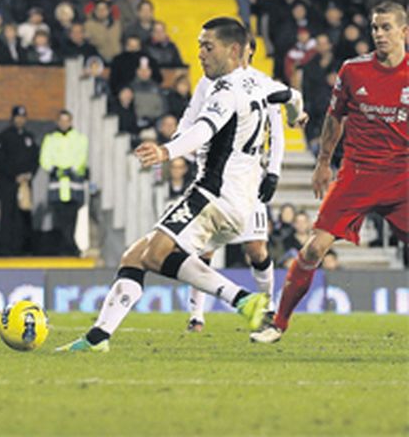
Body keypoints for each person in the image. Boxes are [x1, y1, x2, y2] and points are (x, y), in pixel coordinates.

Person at [56, 18, 272, 354]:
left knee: (156, 255)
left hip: (215, 194)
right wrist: (297, 109)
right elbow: (288, 95)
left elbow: (203, 129)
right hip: (235, 199)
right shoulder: (254, 84)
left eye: (207, 46)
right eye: (199, 44)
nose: (200, 53)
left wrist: (165, 151)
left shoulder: (227, 90)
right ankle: (98, 337)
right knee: (134, 257)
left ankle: (242, 300)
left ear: (232, 50)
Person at [251, 2, 409, 344]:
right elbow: (334, 118)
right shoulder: (353, 70)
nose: (379, 34)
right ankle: (278, 324)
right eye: (375, 28)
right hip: (357, 175)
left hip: (402, 177)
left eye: (386, 27)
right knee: (311, 250)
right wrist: (323, 163)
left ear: (404, 32)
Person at [182, 35, 308, 332]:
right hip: (214, 176)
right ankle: (196, 316)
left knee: (256, 249)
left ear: (248, 51)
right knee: (203, 250)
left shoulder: (263, 83)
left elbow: (276, 130)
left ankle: (269, 309)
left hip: (248, 178)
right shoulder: (207, 83)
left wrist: (274, 172)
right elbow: (190, 120)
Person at [38, 110, 89, 256]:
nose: (64, 123)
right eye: (62, 120)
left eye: (67, 120)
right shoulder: (50, 138)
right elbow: (45, 158)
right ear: (58, 122)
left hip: (73, 184)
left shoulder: (80, 138)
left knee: (72, 218)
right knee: (58, 219)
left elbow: (81, 156)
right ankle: (64, 248)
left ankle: (70, 247)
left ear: (71, 121)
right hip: (57, 185)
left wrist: (70, 169)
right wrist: (54, 169)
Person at [0, 105, 40, 255]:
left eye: (23, 117)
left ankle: (21, 248)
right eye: (17, 117)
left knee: (23, 215)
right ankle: (6, 249)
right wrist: (14, 175)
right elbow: (0, 161)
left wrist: (29, 174)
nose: (20, 120)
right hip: (8, 182)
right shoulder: (4, 136)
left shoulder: (29, 137)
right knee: (8, 215)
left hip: (25, 184)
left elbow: (35, 159)